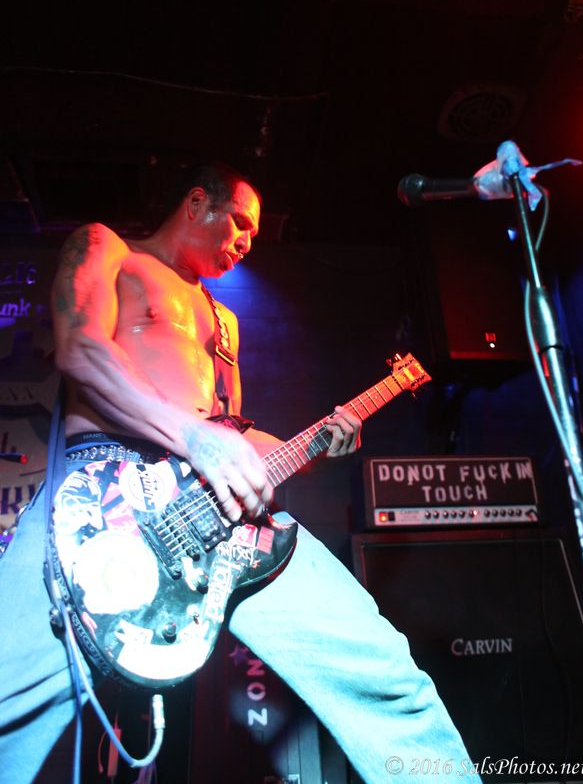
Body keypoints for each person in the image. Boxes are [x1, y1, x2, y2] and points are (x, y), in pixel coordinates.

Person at [0, 161, 480, 782]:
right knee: (8, 696)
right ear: (198, 203)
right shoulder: (107, 247)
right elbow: (81, 349)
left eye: (254, 233)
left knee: (384, 676)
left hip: (218, 515)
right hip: (101, 496)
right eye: (240, 223)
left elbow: (230, 434)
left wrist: (315, 445)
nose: (249, 241)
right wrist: (193, 437)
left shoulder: (224, 321)